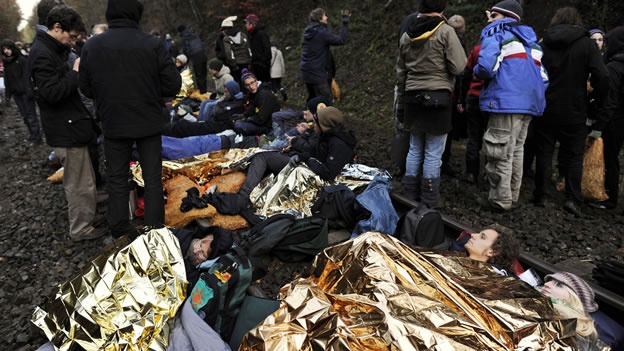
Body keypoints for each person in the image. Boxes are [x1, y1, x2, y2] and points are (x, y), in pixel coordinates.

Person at [79, 0, 181, 238]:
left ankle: (119, 228)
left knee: (116, 179)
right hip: (148, 121)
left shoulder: (92, 46)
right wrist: (152, 93)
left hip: (113, 122)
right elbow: (173, 84)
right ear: (137, 14)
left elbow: (84, 88)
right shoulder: (152, 44)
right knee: (153, 178)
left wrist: (107, 98)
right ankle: (155, 229)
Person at [28, 5, 106, 241]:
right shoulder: (42, 53)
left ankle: (88, 215)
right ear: (57, 27)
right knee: (79, 183)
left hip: (69, 125)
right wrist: (74, 72)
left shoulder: (49, 49)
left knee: (84, 178)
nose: (73, 42)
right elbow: (51, 93)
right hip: (66, 128)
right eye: (71, 37)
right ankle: (81, 228)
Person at [533, 7, 609, 217]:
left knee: (545, 151)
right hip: (575, 106)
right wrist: (595, 97)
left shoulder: (544, 42)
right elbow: (602, 75)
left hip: (546, 104)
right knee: (574, 155)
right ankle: (572, 198)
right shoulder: (586, 44)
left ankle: (541, 193)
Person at [474, 0, 548, 212]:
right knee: (516, 150)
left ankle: (499, 200)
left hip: (505, 102)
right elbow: (544, 78)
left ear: (504, 17)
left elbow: (486, 67)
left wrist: (476, 73)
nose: (489, 20)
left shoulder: (497, 34)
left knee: (498, 150)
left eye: (493, 15)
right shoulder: (533, 43)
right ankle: (512, 195)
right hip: (530, 104)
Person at [396, 0, 467, 208]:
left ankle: (409, 193)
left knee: (415, 147)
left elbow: (400, 72)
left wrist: (402, 98)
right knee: (434, 152)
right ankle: (429, 198)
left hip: (412, 96)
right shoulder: (445, 31)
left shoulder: (407, 34)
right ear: (442, 9)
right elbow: (459, 66)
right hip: (438, 97)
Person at [238, 106, 356, 198]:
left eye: (316, 123)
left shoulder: (339, 144)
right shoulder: (326, 135)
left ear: (324, 125)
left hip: (311, 175)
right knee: (264, 157)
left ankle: (242, 196)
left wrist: (306, 159)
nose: (313, 126)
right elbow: (313, 152)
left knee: (262, 157)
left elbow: (328, 173)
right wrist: (301, 156)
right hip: (308, 166)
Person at [539, 272, 615, 351]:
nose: (546, 284)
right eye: (548, 281)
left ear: (574, 299)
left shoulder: (574, 331)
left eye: (559, 285)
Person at [594, 26, 624, 210]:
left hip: (614, 120)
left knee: (610, 158)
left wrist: (599, 125)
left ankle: (609, 197)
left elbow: (610, 99)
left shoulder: (614, 66)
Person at [300, 8, 350, 102]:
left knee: (313, 100)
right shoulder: (321, 33)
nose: (326, 17)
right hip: (317, 73)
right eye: (324, 15)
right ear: (320, 19)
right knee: (326, 101)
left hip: (306, 72)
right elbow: (341, 40)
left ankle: (310, 115)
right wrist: (345, 23)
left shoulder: (307, 32)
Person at [1, 39, 42, 146]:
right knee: (25, 116)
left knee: (31, 116)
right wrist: (8, 94)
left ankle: (36, 138)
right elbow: (7, 79)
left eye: (8, 48)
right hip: (16, 94)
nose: (6, 51)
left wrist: (29, 91)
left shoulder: (22, 60)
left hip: (25, 92)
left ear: (12, 48)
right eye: (4, 49)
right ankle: (32, 136)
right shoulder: (6, 62)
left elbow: (27, 76)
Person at [449, 223, 520, 276]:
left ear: (492, 252)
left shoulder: (488, 281)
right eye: (479, 233)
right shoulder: (454, 255)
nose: (472, 235)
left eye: (482, 237)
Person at [233, 69, 279, 136]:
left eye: (252, 83)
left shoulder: (264, 94)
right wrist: (243, 115)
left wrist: (247, 119)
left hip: (269, 126)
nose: (251, 87)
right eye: (247, 85)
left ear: (256, 81)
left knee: (238, 125)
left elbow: (261, 119)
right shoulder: (254, 94)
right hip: (261, 122)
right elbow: (252, 109)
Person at [216, 16, 250, 84]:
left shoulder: (226, 39)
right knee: (247, 80)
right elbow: (248, 48)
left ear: (226, 29)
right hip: (246, 63)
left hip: (235, 65)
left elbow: (228, 53)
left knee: (238, 82)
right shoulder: (242, 35)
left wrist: (233, 65)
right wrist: (249, 61)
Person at [177, 24, 208, 94]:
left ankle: (203, 93)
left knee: (199, 76)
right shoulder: (194, 34)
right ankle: (205, 90)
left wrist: (186, 61)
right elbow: (201, 44)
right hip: (203, 55)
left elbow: (187, 50)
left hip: (196, 58)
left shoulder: (185, 38)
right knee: (204, 75)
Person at [244, 14, 272, 84]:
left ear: (252, 24)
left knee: (265, 85)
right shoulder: (251, 35)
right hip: (255, 65)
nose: (245, 25)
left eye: (247, 23)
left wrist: (263, 62)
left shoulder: (261, 34)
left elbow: (267, 50)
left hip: (262, 66)